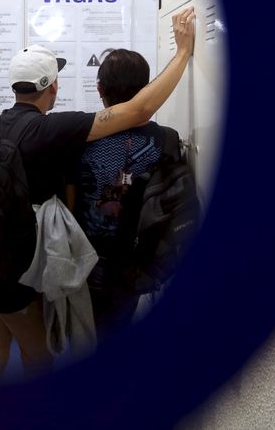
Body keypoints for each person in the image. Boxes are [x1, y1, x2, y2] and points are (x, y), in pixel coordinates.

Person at [0, 6, 196, 384]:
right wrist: (184, 52)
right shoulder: (59, 129)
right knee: (48, 353)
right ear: (51, 86)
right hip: (61, 263)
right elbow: (141, 110)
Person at [66, 48, 186, 337]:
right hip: (135, 262)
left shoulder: (78, 137)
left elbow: (68, 202)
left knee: (82, 336)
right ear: (146, 90)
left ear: (99, 89)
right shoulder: (166, 139)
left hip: (85, 258)